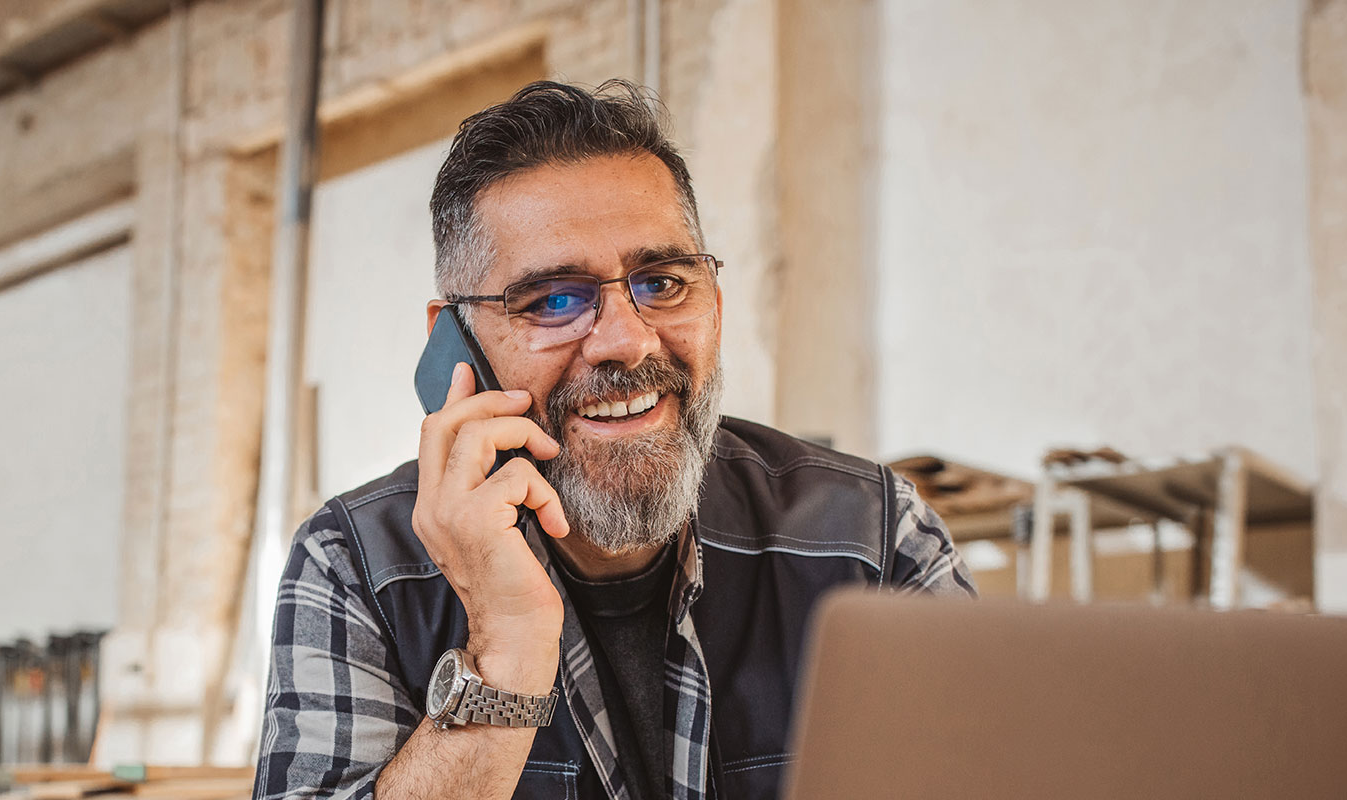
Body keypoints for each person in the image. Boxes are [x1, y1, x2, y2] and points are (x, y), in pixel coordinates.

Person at [253, 79, 974, 800]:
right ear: (456, 344)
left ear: (716, 309)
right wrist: (504, 650)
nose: (627, 341)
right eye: (554, 300)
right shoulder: (355, 566)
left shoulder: (873, 537)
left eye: (662, 282)